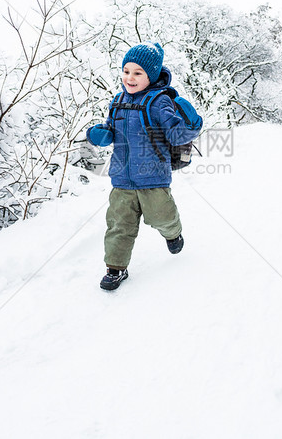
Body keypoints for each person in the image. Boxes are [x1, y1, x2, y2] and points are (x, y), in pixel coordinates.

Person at [86, 42, 202, 291]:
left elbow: (175, 134)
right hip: (121, 178)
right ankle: (115, 268)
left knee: (162, 216)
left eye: (138, 73)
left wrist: (191, 125)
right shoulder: (117, 101)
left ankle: (173, 233)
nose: (130, 77)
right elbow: (111, 130)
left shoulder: (159, 102)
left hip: (153, 177)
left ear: (151, 75)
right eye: (126, 71)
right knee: (118, 225)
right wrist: (101, 134)